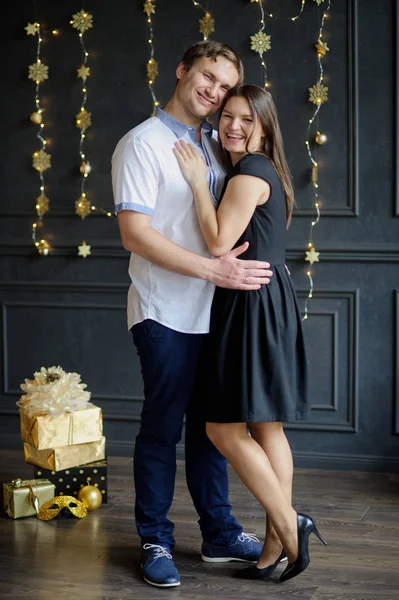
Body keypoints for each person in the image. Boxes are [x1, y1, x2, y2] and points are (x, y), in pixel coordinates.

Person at [111, 41, 275, 589]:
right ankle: (154, 537)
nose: (214, 91)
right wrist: (213, 272)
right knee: (162, 429)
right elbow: (135, 234)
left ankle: (218, 533)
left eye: (225, 86)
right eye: (207, 77)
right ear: (182, 72)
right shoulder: (142, 143)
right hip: (164, 312)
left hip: (217, 315)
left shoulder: (213, 144)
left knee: (214, 430)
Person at [173, 84, 327, 584]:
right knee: (268, 428)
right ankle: (272, 548)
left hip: (249, 305)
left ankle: (288, 523)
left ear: (264, 127)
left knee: (222, 428)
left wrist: (198, 182)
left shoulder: (248, 172)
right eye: (227, 116)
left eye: (245, 119)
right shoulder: (269, 171)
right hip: (269, 300)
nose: (232, 126)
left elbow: (219, 243)